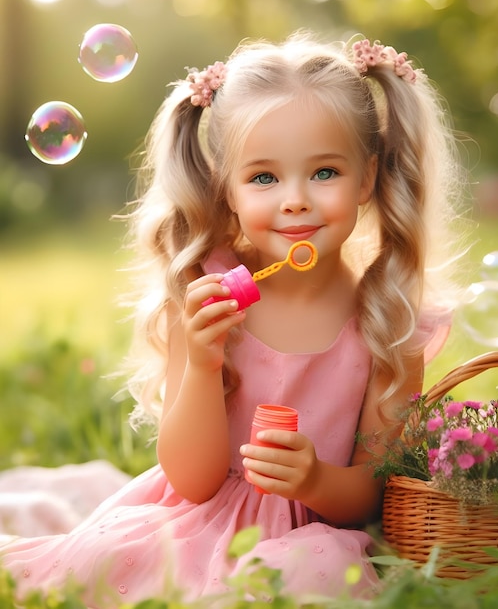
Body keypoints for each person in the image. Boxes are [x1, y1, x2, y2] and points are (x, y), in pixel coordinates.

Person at [0, 31, 469, 606]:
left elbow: (375, 494)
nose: (295, 200)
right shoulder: (208, 295)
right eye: (264, 178)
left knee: (307, 579)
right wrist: (201, 362)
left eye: (324, 172)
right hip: (199, 520)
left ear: (368, 178)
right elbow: (192, 481)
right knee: (107, 565)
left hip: (313, 538)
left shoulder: (388, 321)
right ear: (227, 189)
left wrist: (317, 480)